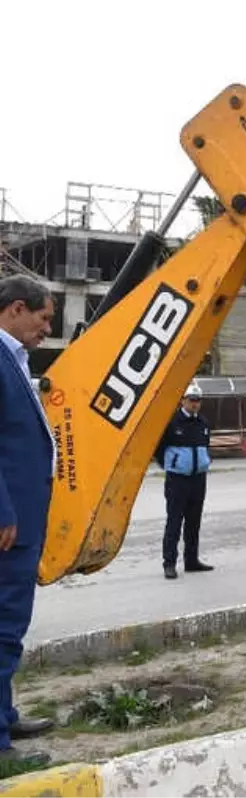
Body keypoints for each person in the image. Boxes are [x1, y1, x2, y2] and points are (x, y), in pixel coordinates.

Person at [0, 275, 57, 765]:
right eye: (43, 319)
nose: (46, 330)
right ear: (17, 309)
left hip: (18, 519)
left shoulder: (13, 360)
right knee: (3, 626)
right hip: (7, 524)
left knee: (8, 626)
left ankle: (5, 713)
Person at [153, 383, 214, 580]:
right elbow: (158, 448)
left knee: (194, 522)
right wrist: (171, 464)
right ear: (183, 400)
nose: (195, 404)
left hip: (198, 479)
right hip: (177, 480)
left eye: (198, 401)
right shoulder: (171, 422)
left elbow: (206, 446)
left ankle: (192, 560)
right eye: (191, 400)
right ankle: (169, 563)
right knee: (174, 522)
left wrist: (205, 461)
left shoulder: (203, 422)